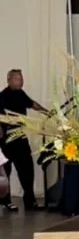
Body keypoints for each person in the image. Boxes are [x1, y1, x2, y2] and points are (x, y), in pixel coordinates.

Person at [0, 69, 47, 212]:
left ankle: (30, 201)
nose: (21, 81)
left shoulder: (20, 93)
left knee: (27, 169)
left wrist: (46, 111)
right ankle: (6, 201)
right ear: (9, 80)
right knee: (6, 172)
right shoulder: (3, 96)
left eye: (21, 78)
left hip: (20, 137)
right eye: (17, 79)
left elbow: (32, 104)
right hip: (7, 139)